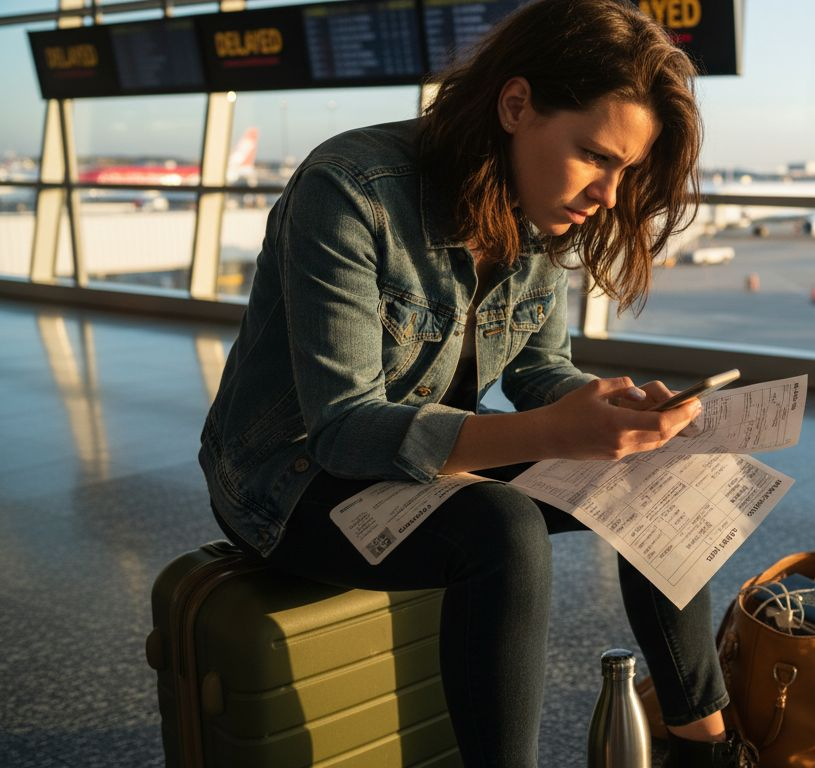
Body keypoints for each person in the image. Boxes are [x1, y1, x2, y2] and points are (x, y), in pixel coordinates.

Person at [199, 0, 754, 765]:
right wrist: (554, 431)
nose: (609, 194)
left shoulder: (537, 207)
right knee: (501, 527)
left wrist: (616, 414)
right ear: (516, 105)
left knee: (658, 470)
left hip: (420, 459)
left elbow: (538, 369)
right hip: (289, 481)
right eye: (594, 155)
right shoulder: (350, 189)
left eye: (625, 170)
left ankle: (705, 746)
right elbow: (343, 428)